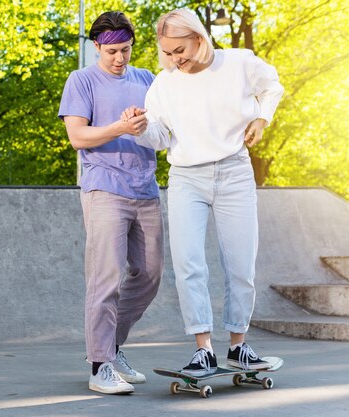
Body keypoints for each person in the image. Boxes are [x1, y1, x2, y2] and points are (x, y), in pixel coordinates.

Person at [122, 8, 284, 377]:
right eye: (167, 52)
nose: (174, 59)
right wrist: (139, 128)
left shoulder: (238, 63)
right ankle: (203, 350)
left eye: (180, 50)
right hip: (186, 177)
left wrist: (262, 118)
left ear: (199, 38)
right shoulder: (164, 84)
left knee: (241, 264)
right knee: (189, 264)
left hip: (234, 173)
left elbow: (272, 85)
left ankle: (239, 347)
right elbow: (160, 138)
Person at [58, 11, 164, 394]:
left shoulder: (147, 79)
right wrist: (120, 127)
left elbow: (163, 128)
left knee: (150, 275)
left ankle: (112, 348)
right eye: (113, 51)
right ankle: (100, 364)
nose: (120, 58)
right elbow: (78, 137)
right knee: (105, 279)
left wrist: (145, 123)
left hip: (146, 188)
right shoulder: (81, 80)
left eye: (127, 49)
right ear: (97, 47)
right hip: (104, 188)